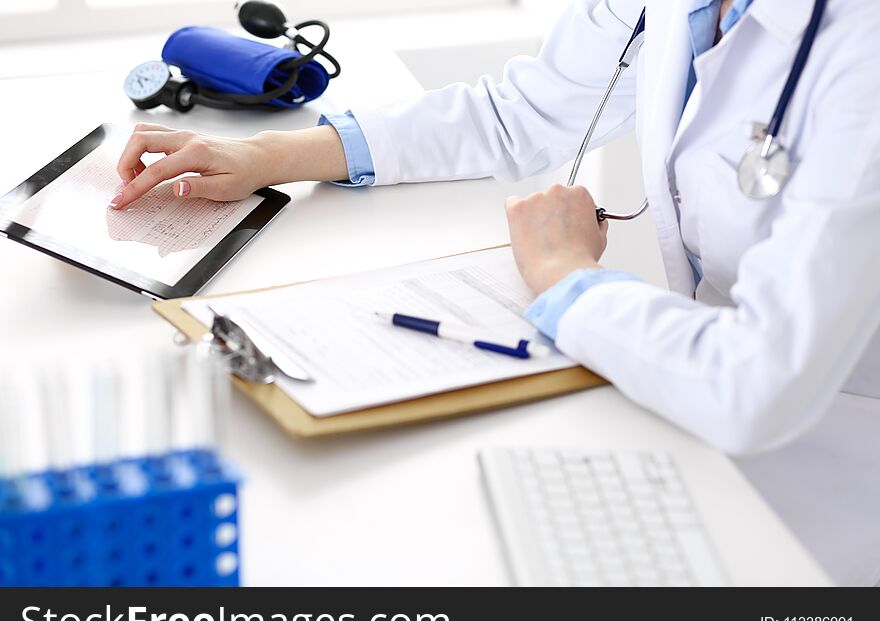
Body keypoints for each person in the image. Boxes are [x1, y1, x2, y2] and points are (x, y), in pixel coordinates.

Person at [112, 0, 880, 586]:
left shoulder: (861, 50)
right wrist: (274, 153)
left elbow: (762, 381)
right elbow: (527, 109)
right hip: (689, 399)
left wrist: (568, 278)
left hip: (833, 457)